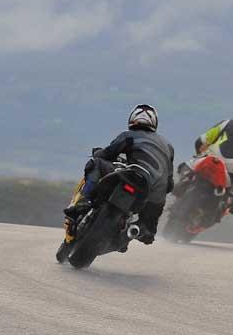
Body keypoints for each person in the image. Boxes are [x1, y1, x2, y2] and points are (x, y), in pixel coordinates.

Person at [62, 104, 175, 246]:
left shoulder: (129, 135)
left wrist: (97, 152)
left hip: (131, 175)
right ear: (154, 123)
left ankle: (83, 200)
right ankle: (143, 229)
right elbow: (170, 184)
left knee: (96, 163)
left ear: (132, 119)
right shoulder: (168, 146)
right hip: (151, 189)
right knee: (151, 219)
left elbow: (107, 154)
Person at [182, 105, 233, 220]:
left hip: (207, 161)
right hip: (229, 177)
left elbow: (201, 141)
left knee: (186, 167)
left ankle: (182, 183)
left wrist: (199, 155)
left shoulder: (226, 123)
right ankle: (211, 214)